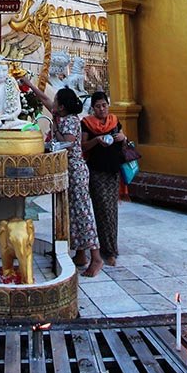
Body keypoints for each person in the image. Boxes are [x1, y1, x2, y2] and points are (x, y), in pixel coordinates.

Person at [22, 77, 103, 277]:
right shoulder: (60, 116)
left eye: (57, 102)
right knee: (72, 214)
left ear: (63, 106)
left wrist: (54, 128)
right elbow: (44, 99)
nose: (53, 104)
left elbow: (67, 142)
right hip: (66, 170)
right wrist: (29, 85)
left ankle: (97, 258)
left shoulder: (70, 121)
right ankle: (80, 254)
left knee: (83, 214)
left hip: (76, 171)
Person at [81, 91, 126, 266]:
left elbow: (123, 139)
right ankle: (106, 250)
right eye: (98, 106)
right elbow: (82, 146)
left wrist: (123, 138)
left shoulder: (114, 121)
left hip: (113, 171)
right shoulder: (86, 124)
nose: (101, 109)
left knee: (112, 210)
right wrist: (97, 140)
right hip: (97, 172)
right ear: (93, 108)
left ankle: (111, 249)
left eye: (104, 105)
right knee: (102, 209)